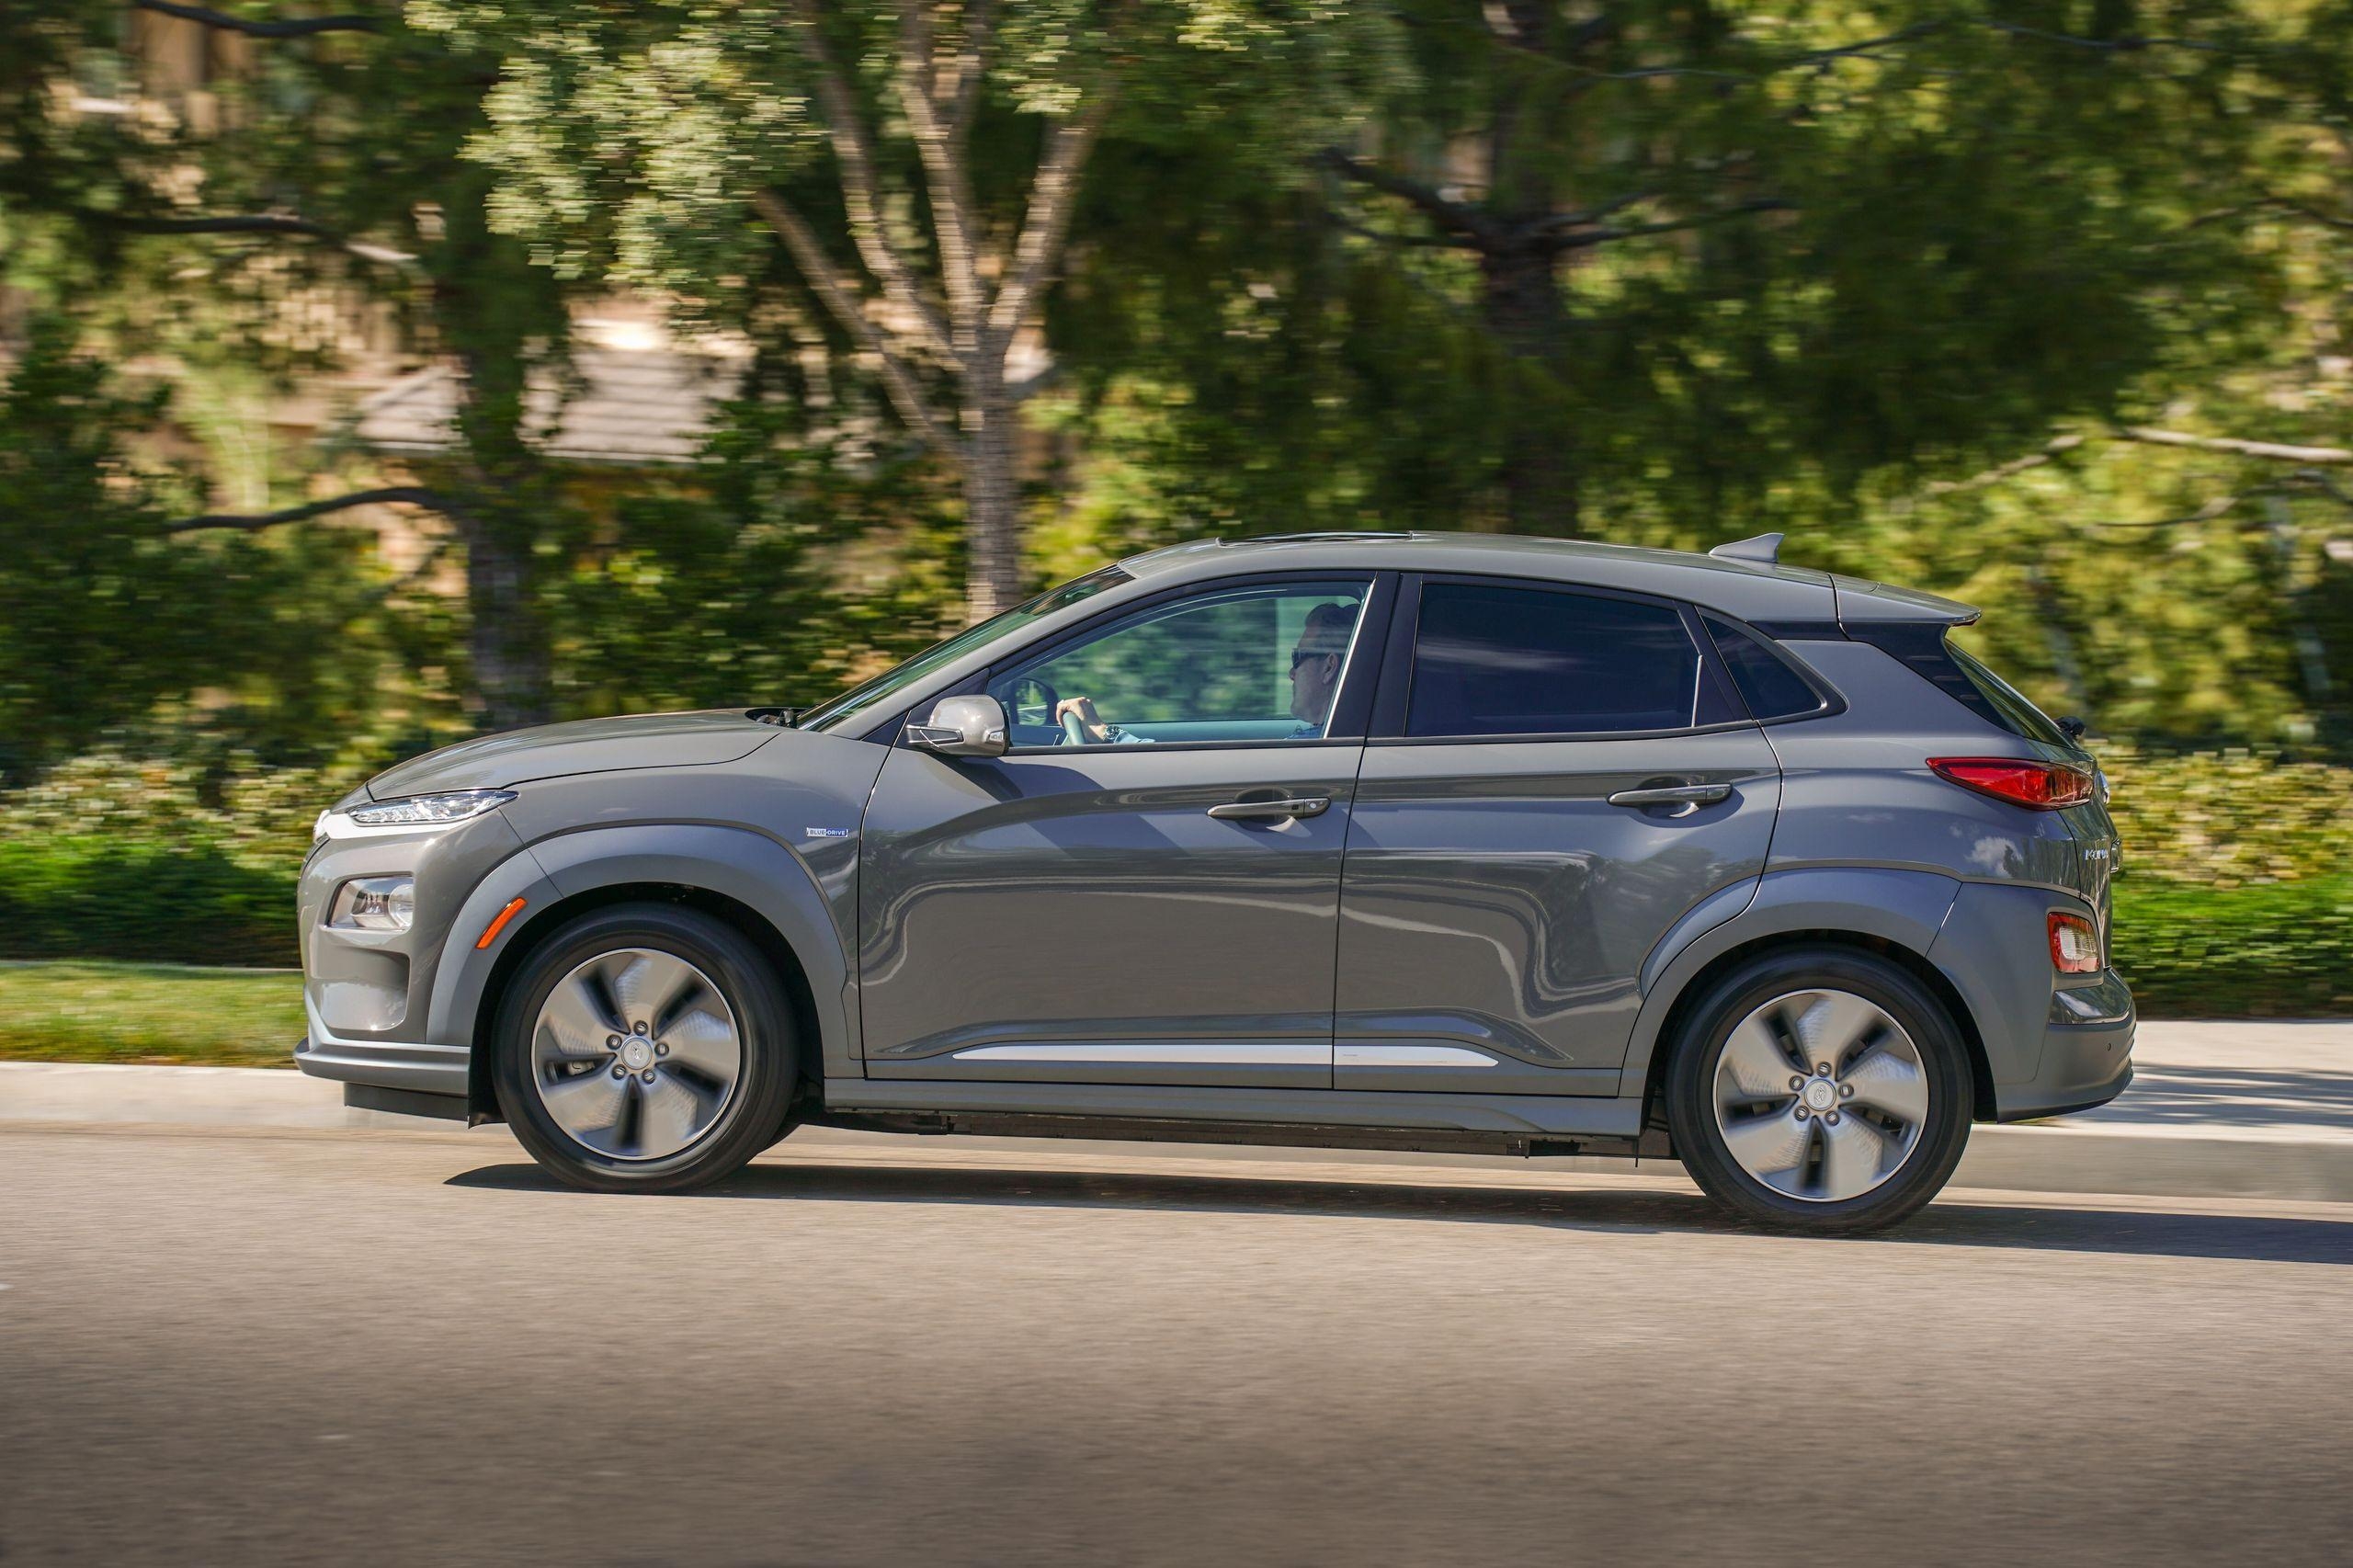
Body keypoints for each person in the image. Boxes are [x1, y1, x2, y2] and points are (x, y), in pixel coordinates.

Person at [1052, 600, 1357, 744]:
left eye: (1298, 657)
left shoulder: (1312, 750)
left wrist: (1106, 732)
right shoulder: (1321, 740)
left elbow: (1200, 778)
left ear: (1330, 666)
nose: (1291, 673)